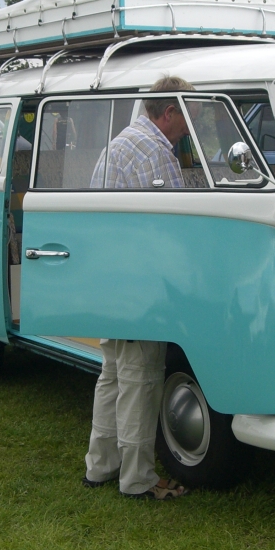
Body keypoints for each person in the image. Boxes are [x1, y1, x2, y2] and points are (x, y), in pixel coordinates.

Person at [83, 76, 196, 500]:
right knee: (141, 379)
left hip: (110, 276)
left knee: (112, 375)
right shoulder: (156, 152)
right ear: (169, 112)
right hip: (140, 282)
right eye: (186, 118)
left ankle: (100, 467)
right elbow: (172, 225)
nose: (187, 128)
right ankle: (137, 480)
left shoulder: (120, 143)